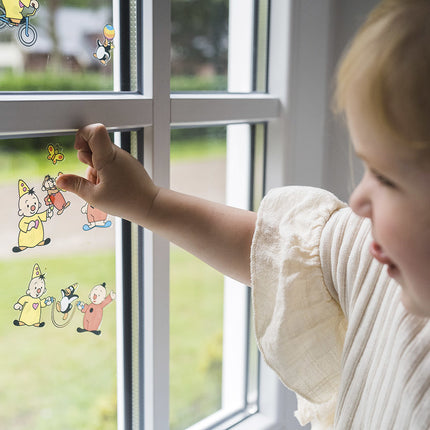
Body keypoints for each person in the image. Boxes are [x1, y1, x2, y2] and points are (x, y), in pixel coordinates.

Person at [56, 1, 430, 428]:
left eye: (386, 178)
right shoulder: (377, 262)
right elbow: (277, 249)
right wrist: (148, 203)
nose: (359, 201)